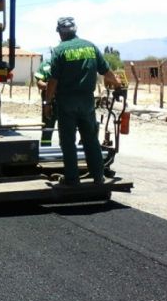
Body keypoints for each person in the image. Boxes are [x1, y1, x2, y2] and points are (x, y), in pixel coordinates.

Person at [43, 17, 123, 186]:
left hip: (66, 102)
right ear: (75, 30)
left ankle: (72, 178)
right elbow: (106, 71)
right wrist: (117, 85)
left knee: (68, 141)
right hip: (87, 101)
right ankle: (98, 176)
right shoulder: (90, 47)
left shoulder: (59, 51)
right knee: (91, 140)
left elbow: (53, 81)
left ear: (60, 33)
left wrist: (48, 103)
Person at [34, 60, 56, 147]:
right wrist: (50, 87)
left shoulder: (65, 64)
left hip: (63, 100)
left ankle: (64, 152)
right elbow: (39, 82)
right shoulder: (45, 65)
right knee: (47, 128)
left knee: (65, 129)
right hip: (48, 100)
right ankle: (45, 149)